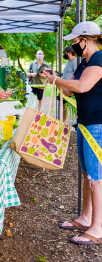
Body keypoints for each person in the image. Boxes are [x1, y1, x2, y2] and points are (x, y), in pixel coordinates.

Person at [43, 21, 102, 246]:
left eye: (75, 41)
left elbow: (83, 86)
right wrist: (55, 77)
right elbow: (69, 88)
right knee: (88, 176)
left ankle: (97, 228)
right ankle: (86, 218)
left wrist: (56, 80)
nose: (73, 45)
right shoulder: (84, 62)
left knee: (97, 178)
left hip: (98, 123)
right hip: (85, 124)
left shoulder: (99, 59)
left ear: (86, 40)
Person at [58, 46, 77, 122]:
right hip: (64, 88)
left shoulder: (75, 61)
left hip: (70, 89)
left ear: (69, 53)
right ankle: (64, 123)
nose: (64, 55)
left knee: (72, 108)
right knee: (64, 107)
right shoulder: (68, 62)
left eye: (65, 53)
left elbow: (76, 74)